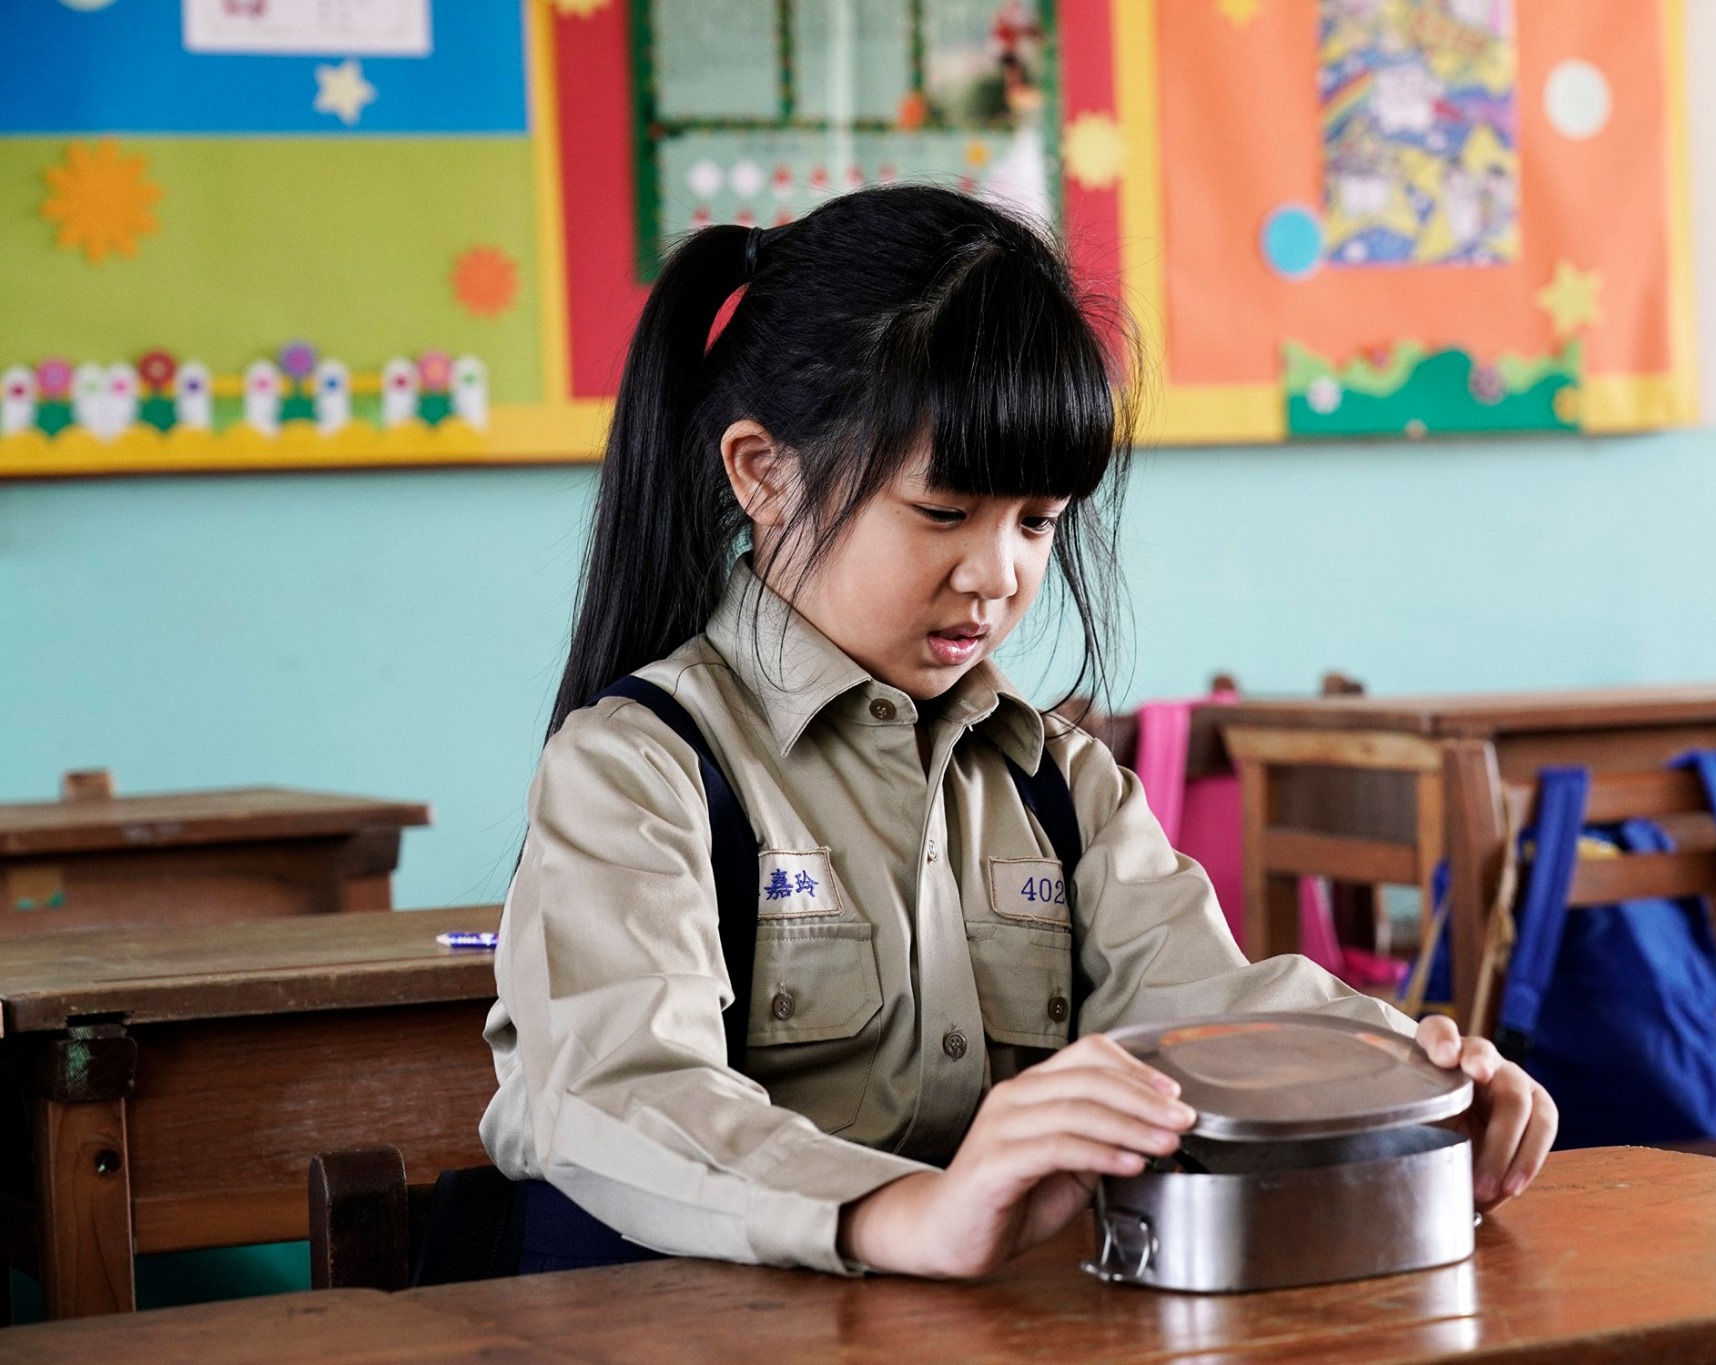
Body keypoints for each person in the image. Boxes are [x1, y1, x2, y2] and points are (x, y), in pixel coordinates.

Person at [480, 184, 1555, 1280]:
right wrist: (900, 1213)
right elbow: (619, 1096)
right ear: (763, 474)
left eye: (1036, 522)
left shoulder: (1061, 784)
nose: (996, 576)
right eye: (942, 513)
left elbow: (1216, 1010)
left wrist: (1411, 1075)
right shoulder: (639, 770)